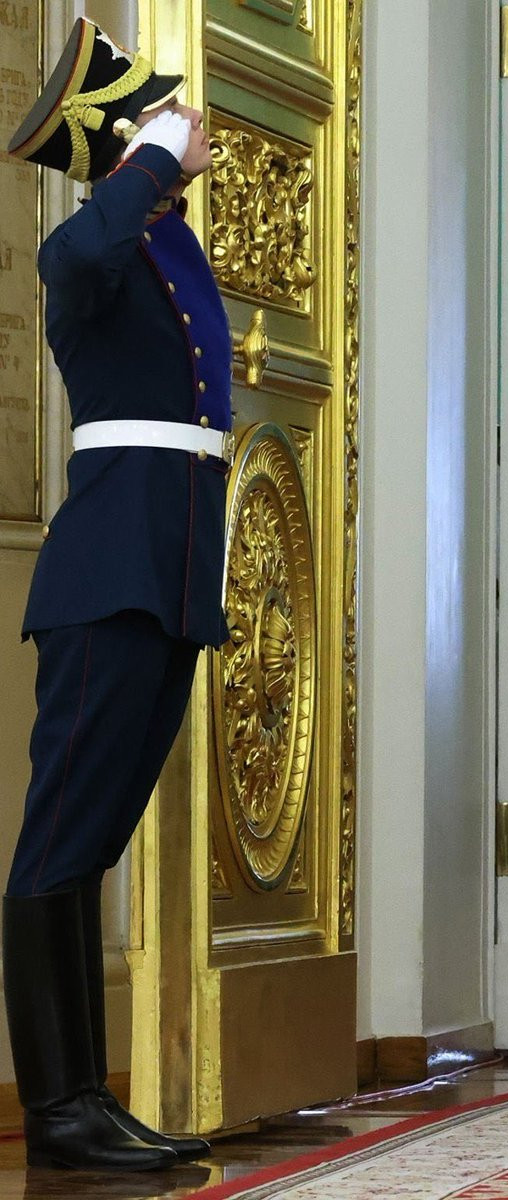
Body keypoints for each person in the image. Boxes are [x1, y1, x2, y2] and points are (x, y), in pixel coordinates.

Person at [3, 18, 232, 1171]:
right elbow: (80, 258)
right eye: (158, 120)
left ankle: (87, 1100)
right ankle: (57, 1113)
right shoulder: (85, 251)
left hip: (169, 573)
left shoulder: (166, 249)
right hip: (108, 575)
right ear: (119, 144)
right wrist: (144, 160)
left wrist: (152, 181)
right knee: (57, 847)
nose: (189, 132)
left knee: (89, 849)